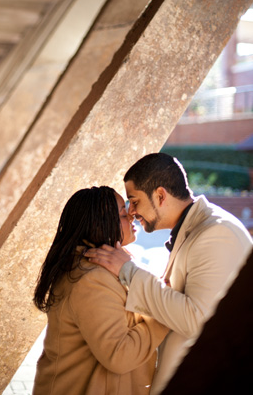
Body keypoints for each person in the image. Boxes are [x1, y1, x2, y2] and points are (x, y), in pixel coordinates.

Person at [86, 153, 253, 393]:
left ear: (160, 195)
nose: (131, 211)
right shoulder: (198, 227)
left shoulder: (217, 234)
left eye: (134, 201)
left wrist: (128, 271)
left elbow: (198, 320)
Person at [33, 186, 169, 395]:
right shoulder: (92, 279)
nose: (132, 215)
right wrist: (163, 314)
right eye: (123, 214)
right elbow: (119, 355)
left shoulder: (96, 266)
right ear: (100, 224)